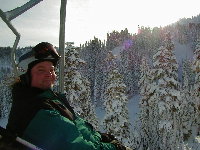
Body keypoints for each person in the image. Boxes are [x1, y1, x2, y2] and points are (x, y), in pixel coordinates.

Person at [5, 42, 132, 150]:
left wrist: (99, 136)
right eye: (41, 70)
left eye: (51, 69)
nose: (49, 74)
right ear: (26, 75)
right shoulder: (35, 110)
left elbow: (77, 128)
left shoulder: (47, 99)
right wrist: (114, 147)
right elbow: (77, 145)